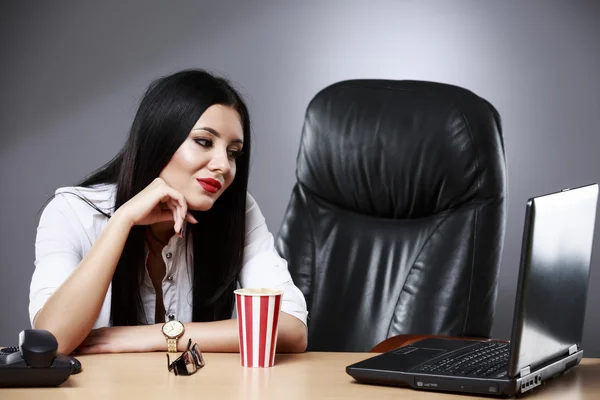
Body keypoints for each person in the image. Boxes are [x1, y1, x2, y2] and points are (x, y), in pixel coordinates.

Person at [28, 69, 308, 355]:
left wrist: (157, 336)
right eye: (204, 142)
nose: (223, 165)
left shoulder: (238, 210)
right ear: (160, 139)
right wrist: (122, 221)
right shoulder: (72, 212)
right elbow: (51, 341)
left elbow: (291, 327)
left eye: (233, 152)